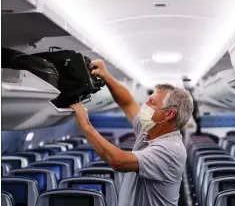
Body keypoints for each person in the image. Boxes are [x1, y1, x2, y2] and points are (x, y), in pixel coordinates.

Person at [70, 59, 194, 206]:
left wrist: (85, 125)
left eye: (152, 103)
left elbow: (118, 161)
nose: (144, 105)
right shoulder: (150, 128)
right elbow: (127, 102)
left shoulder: (171, 150)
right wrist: (105, 75)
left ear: (169, 114)